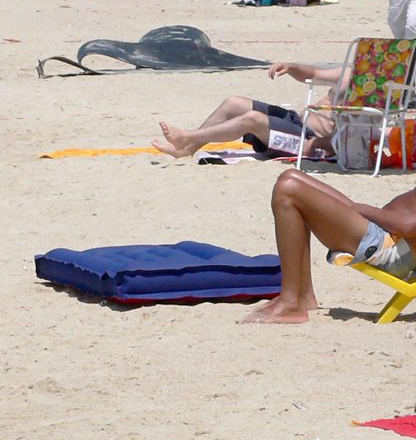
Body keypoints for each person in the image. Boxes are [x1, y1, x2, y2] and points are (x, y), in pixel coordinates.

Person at [240, 169, 416, 324]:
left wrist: (364, 209)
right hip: (386, 234)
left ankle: (291, 302)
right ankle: (303, 295)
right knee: (290, 176)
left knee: (288, 190)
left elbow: (407, 226)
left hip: (392, 249)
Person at [152, 61, 346, 159]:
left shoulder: (374, 94)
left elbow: (363, 140)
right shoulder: (357, 73)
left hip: (309, 140)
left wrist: (322, 144)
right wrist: (291, 66)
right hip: (296, 121)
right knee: (233, 103)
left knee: (252, 120)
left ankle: (187, 137)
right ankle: (186, 150)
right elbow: (313, 74)